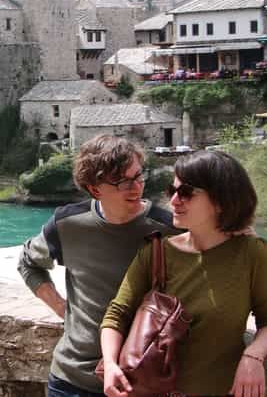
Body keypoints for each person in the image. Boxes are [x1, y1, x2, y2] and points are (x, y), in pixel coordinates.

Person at [101, 150, 267, 397]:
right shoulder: (156, 252)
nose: (174, 201)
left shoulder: (255, 255)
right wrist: (110, 365)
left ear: (221, 200)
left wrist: (254, 355)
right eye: (173, 191)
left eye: (186, 193)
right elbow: (116, 315)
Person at [18, 135, 180, 396]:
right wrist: (63, 310)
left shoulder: (168, 229)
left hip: (140, 382)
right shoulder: (68, 224)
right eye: (121, 182)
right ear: (95, 189)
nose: (136, 187)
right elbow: (28, 263)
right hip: (70, 381)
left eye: (138, 176)